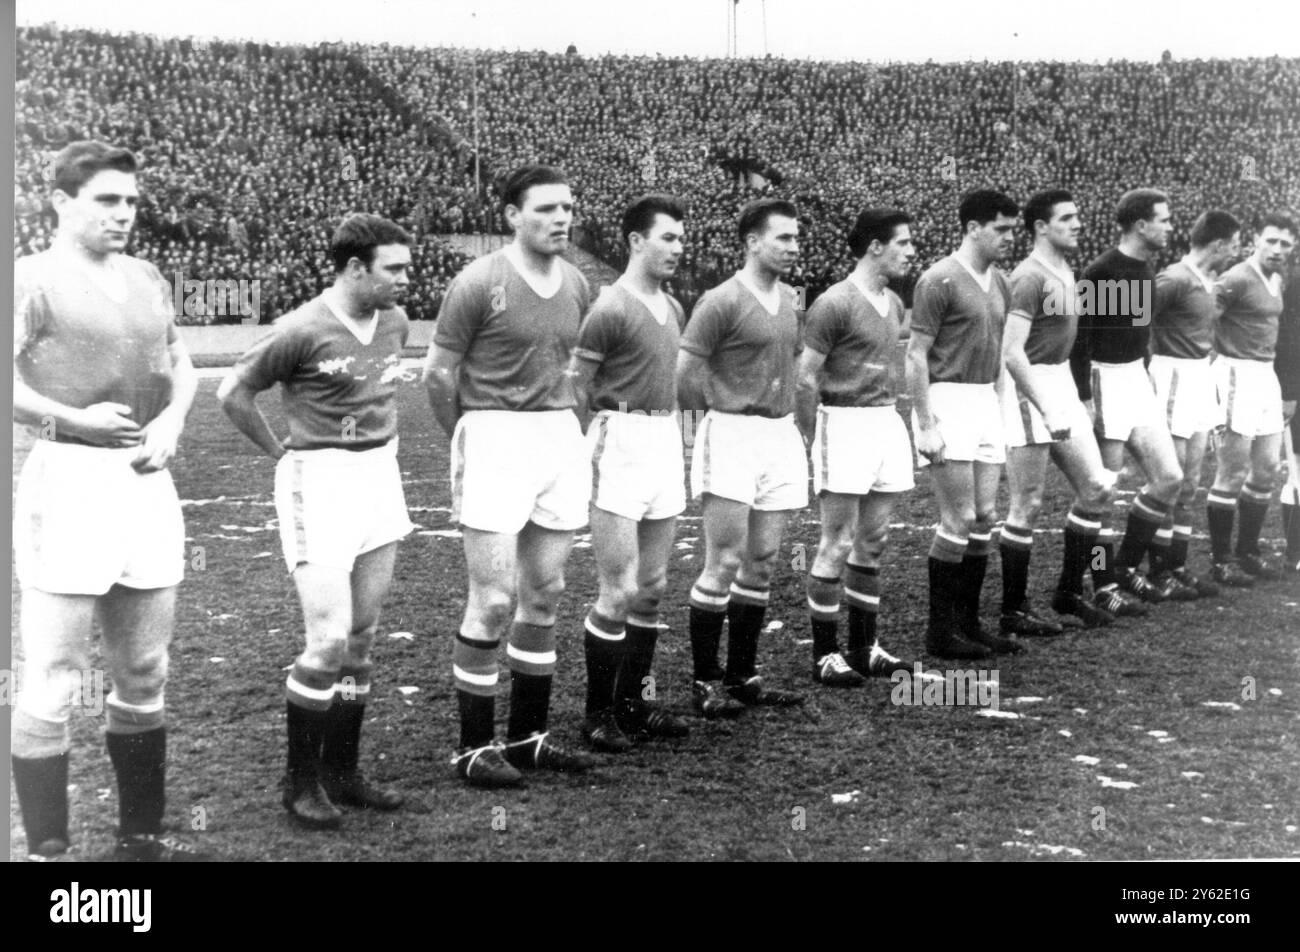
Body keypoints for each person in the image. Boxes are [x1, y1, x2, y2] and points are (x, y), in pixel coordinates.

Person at [12, 141, 204, 861]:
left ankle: (140, 839)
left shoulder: (148, 276)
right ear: (62, 203)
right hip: (67, 480)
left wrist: (173, 419)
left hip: (146, 485)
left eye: (130, 201)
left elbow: (180, 362)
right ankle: (49, 849)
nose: (124, 214)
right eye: (106, 200)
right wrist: (72, 419)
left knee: (145, 669)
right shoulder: (29, 277)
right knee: (56, 674)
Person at [218, 214, 413, 829]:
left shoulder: (398, 323)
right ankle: (300, 782)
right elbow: (233, 392)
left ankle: (342, 771)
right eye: (394, 268)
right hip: (320, 482)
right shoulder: (300, 328)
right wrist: (280, 451)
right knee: (327, 640)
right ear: (356, 268)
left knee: (362, 639)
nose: (406, 279)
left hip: (380, 477)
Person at [423, 165, 595, 787]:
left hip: (557, 436)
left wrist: (570, 427)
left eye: (567, 207)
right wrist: (471, 437)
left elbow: (579, 370)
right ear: (511, 216)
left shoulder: (577, 282)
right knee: (493, 600)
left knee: (544, 595)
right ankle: (473, 747)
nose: (561, 218)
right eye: (546, 208)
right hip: (494, 434)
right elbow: (438, 375)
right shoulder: (478, 280)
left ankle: (527, 739)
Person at [568, 194, 692, 749]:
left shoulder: (675, 307)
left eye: (681, 239)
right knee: (617, 589)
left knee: (652, 587)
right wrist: (585, 441)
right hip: (618, 439)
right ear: (636, 241)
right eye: (667, 238)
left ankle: (636, 705)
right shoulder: (610, 307)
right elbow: (577, 385)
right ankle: (598, 715)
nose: (678, 249)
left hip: (663, 438)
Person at [677, 197, 808, 717]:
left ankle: (744, 675)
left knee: (763, 562)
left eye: (797, 239)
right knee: (724, 560)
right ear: (753, 242)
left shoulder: (794, 299)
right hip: (730, 432)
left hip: (778, 434)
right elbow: (685, 372)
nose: (793, 248)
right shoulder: (720, 300)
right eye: (784, 238)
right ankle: (705, 680)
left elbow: (795, 367)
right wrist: (697, 429)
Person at [794, 207, 918, 687]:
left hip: (885, 421)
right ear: (875, 247)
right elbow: (805, 379)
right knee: (836, 542)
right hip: (842, 422)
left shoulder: (894, 302)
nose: (910, 252)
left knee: (874, 542)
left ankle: (865, 648)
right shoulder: (834, 303)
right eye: (903, 243)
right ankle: (825, 654)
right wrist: (812, 436)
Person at [907, 189, 1022, 659]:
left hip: (984, 401)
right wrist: (926, 423)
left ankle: (968, 623)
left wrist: (998, 406)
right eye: (1001, 229)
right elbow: (915, 356)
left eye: (1014, 229)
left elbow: (999, 355)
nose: (1010, 237)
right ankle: (940, 632)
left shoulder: (1002, 281)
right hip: (948, 399)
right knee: (957, 517)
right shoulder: (938, 279)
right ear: (973, 228)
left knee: (985, 517)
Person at [1000, 189, 1119, 630]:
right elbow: (1012, 353)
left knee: (1097, 488)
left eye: (1078, 216)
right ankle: (1013, 610)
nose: (1077, 223)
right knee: (1027, 505)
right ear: (1040, 227)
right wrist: (1045, 405)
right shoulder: (1028, 277)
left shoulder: (1066, 269)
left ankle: (1068, 592)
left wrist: (1078, 397)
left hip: (1060, 381)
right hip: (1028, 387)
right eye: (1067, 218)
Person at [1070, 188, 1185, 613]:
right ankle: (1102, 583)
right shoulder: (1101, 272)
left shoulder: (1145, 267)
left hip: (1137, 377)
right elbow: (1079, 339)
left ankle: (1122, 568)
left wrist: (1147, 374)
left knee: (1169, 478)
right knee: (1104, 491)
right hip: (1104, 379)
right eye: (1165, 219)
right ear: (1141, 225)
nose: (1170, 226)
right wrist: (1085, 397)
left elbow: (1139, 329)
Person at [1148, 210, 1243, 594]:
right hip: (1173, 376)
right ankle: (1157, 571)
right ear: (1219, 244)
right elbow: (1122, 313)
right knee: (1169, 481)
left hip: (1201, 377)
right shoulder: (1174, 278)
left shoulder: (1210, 281)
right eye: (1235, 246)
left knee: (1190, 483)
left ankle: (1177, 565)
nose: (1236, 253)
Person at [1205, 213, 1298, 582]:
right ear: (1255, 239)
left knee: (1268, 470)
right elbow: (1202, 319)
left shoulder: (1277, 278)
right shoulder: (1235, 278)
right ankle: (1221, 560)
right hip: (1235, 374)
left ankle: (1247, 552)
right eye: (1271, 240)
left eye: (1285, 244)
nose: (1277, 249)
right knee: (1232, 471)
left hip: (1266, 376)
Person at [1277, 261, 1300, 573]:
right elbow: (1287, 341)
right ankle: (1295, 553)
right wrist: (1290, 392)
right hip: (1296, 386)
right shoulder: (1296, 284)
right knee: (1297, 470)